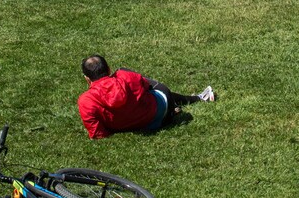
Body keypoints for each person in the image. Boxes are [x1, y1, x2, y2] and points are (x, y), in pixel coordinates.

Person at [78, 55, 215, 139]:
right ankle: (197, 98)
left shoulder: (86, 101)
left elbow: (97, 134)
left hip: (134, 126)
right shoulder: (125, 76)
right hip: (160, 117)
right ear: (108, 69)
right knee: (151, 86)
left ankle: (183, 105)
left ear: (87, 79)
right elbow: (146, 86)